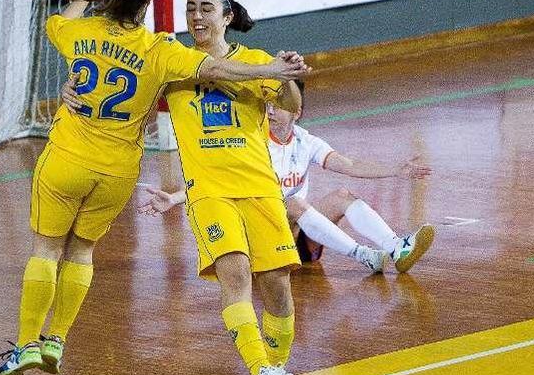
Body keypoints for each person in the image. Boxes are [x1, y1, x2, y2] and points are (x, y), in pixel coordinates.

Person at [0, 0, 309, 375]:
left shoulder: (107, 39)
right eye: (191, 7)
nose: (196, 15)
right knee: (232, 273)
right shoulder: (167, 57)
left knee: (277, 286)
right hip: (172, 183)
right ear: (148, 5)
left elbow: (288, 104)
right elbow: (213, 70)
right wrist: (271, 70)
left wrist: (283, 74)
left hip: (247, 184)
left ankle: (31, 342)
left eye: (206, 7)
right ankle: (261, 371)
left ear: (228, 15)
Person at [145, 80, 435, 274]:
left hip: (297, 234)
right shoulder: (251, 141)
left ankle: (397, 248)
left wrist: (396, 170)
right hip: (261, 237)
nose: (271, 110)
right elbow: (216, 177)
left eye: (279, 104)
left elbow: (349, 164)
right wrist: (175, 197)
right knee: (294, 203)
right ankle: (365, 256)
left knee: (342, 196)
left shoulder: (305, 141)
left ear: (297, 112)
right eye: (268, 102)